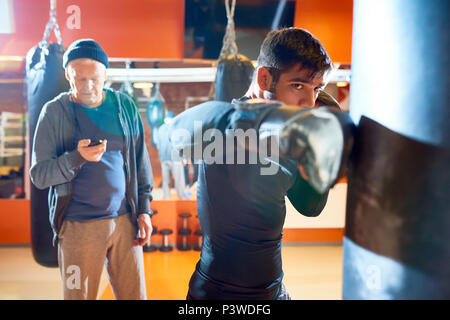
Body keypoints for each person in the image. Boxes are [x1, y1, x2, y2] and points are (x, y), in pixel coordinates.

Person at [166, 27, 344, 300]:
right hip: (218, 294)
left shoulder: (288, 136)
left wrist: (321, 157)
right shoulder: (223, 132)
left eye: (316, 89)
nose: (308, 102)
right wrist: (249, 119)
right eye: (297, 85)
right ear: (264, 77)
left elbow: (310, 208)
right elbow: (174, 132)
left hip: (273, 290)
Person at [29, 39, 154, 300]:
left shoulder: (124, 107)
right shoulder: (53, 112)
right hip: (78, 228)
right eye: (80, 79)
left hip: (125, 224)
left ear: (105, 74)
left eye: (94, 79)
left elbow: (140, 161)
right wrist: (76, 158)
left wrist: (144, 210)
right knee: (78, 297)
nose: (88, 86)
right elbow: (39, 175)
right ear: (67, 75)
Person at [155, 123, 189, 200]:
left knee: (166, 181)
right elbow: (180, 144)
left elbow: (158, 145)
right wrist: (184, 157)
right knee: (179, 180)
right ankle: (182, 198)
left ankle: (167, 198)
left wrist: (161, 158)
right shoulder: (176, 128)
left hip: (164, 159)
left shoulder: (160, 129)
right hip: (175, 158)